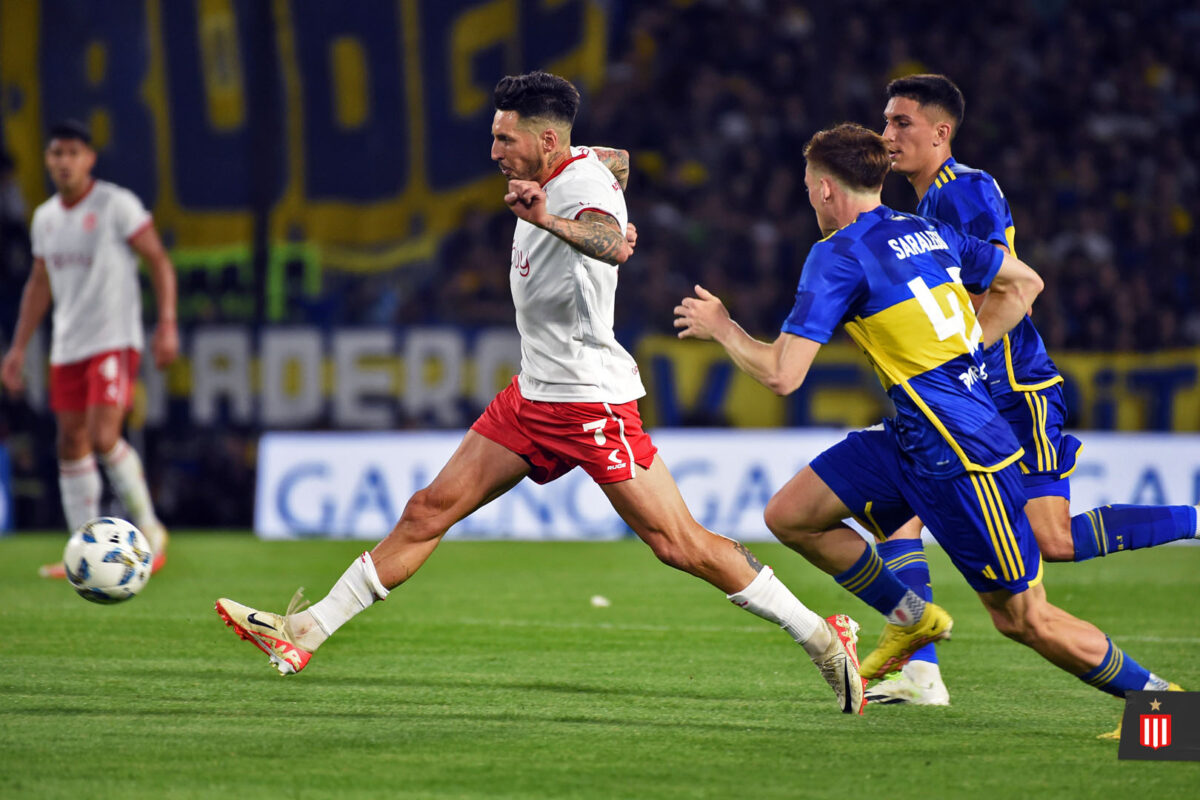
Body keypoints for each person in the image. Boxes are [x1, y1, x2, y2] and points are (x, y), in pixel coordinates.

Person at [214, 71, 867, 715]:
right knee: (428, 509)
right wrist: (584, 208)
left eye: (505, 140)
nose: (495, 152)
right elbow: (619, 161)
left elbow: (609, 240)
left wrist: (559, 222)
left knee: (679, 544)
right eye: (495, 138)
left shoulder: (575, 189)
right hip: (534, 396)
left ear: (547, 140)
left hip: (589, 401)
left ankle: (819, 636)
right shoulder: (581, 163)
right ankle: (308, 632)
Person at [674, 122, 1180, 732]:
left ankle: (1168, 711)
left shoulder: (836, 253)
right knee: (791, 515)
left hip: (964, 458)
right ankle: (911, 616)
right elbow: (1025, 282)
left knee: (1023, 618)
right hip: (915, 437)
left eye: (810, 187)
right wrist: (966, 347)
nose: (810, 199)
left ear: (829, 190)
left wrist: (724, 326)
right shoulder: (926, 230)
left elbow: (783, 376)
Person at [863, 74, 1198, 709]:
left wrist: (961, 357)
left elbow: (1005, 287)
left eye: (901, 122)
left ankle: (1168, 703)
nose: (887, 134)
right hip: (963, 401)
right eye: (885, 121)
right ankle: (921, 671)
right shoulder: (914, 212)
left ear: (941, 132)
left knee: (1054, 544)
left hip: (1015, 393)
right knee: (896, 503)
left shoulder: (968, 190)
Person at [1, 119, 178, 575]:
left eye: (73, 153)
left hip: (113, 339)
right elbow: (40, 282)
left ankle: (151, 528)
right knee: (70, 443)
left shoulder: (116, 204)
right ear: (48, 159)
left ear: (89, 159)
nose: (64, 161)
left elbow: (158, 260)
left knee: (103, 436)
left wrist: (168, 323)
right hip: (67, 346)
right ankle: (82, 551)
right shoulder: (45, 218)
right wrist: (18, 348)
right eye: (56, 153)